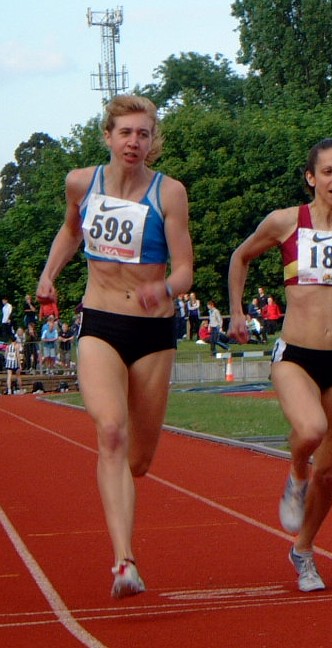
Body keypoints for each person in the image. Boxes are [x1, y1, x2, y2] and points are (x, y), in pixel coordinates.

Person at [35, 94, 194, 598]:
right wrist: (48, 276)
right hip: (100, 320)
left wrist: (163, 289)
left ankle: (122, 511)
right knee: (109, 431)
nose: (133, 142)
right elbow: (70, 232)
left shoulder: (169, 193)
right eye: (125, 132)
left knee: (139, 460)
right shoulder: (83, 182)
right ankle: (124, 560)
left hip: (152, 331)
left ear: (153, 141)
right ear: (108, 136)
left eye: (143, 134)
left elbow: (186, 270)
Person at [227, 137, 332, 593]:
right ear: (311, 177)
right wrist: (237, 311)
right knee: (309, 431)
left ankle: (304, 550)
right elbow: (239, 256)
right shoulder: (287, 223)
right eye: (328, 172)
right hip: (296, 356)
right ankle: (294, 473)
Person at [4, 327, 23, 394]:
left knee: (9, 376)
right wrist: (20, 364)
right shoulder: (16, 346)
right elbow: (17, 355)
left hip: (9, 362)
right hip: (15, 362)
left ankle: (9, 390)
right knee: (18, 376)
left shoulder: (8, 346)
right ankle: (20, 390)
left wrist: (7, 361)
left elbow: (6, 355)